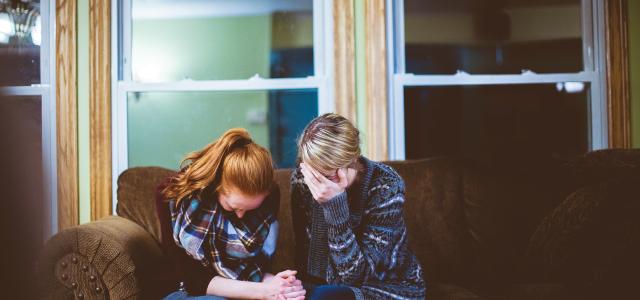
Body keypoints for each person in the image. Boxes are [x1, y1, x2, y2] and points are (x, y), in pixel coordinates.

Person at [156, 128, 306, 299]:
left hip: (243, 288)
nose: (241, 216)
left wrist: (280, 285)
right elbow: (193, 280)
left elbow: (257, 268)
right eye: (234, 207)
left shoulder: (270, 197)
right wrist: (264, 292)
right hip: (185, 290)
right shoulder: (171, 196)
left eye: (250, 209)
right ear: (216, 186)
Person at [290, 113, 426, 299]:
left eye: (327, 176)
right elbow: (305, 258)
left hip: (387, 287)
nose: (318, 183)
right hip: (325, 288)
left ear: (352, 160)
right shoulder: (303, 180)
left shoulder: (386, 186)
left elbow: (355, 278)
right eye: (314, 173)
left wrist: (335, 208)